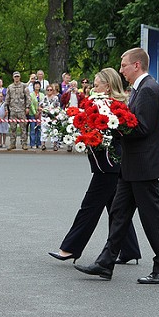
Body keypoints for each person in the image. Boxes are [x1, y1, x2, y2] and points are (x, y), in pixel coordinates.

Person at [75, 48, 159, 285]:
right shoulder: (142, 89)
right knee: (119, 215)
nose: (121, 70)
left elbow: (142, 128)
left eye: (123, 65)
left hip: (144, 166)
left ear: (137, 65)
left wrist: (113, 123)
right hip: (133, 165)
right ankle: (105, 263)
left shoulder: (149, 90)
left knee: (152, 219)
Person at [48, 68, 140, 264]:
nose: (93, 87)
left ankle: (70, 248)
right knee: (116, 208)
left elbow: (112, 131)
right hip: (107, 162)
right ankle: (130, 249)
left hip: (108, 163)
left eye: (97, 84)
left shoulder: (113, 106)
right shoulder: (101, 103)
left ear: (107, 86)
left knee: (89, 207)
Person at [5, 71, 29, 150]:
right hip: (13, 110)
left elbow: (28, 98)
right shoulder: (10, 87)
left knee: (23, 128)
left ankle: (24, 144)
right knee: (13, 128)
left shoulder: (24, 86)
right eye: (15, 76)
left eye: (18, 76)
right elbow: (7, 99)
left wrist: (27, 107)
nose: (16, 78)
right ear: (13, 77)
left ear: (20, 77)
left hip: (21, 110)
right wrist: (6, 109)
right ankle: (12, 144)